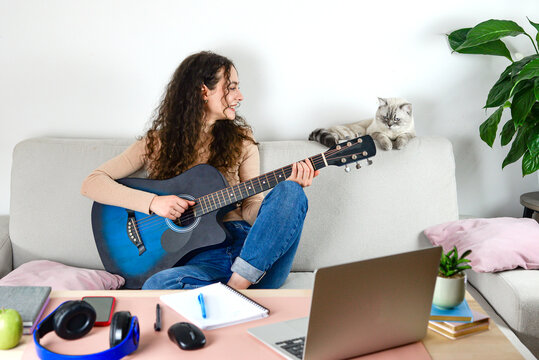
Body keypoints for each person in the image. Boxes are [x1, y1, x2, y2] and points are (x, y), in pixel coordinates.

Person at [81, 51, 319, 290]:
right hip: (202, 262)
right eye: (232, 87)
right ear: (204, 91)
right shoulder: (156, 142)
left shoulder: (242, 140)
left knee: (290, 191)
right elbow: (92, 182)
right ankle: (230, 296)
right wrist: (154, 203)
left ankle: (236, 287)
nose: (240, 96)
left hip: (255, 255)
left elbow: (250, 207)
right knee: (157, 284)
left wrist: (279, 209)